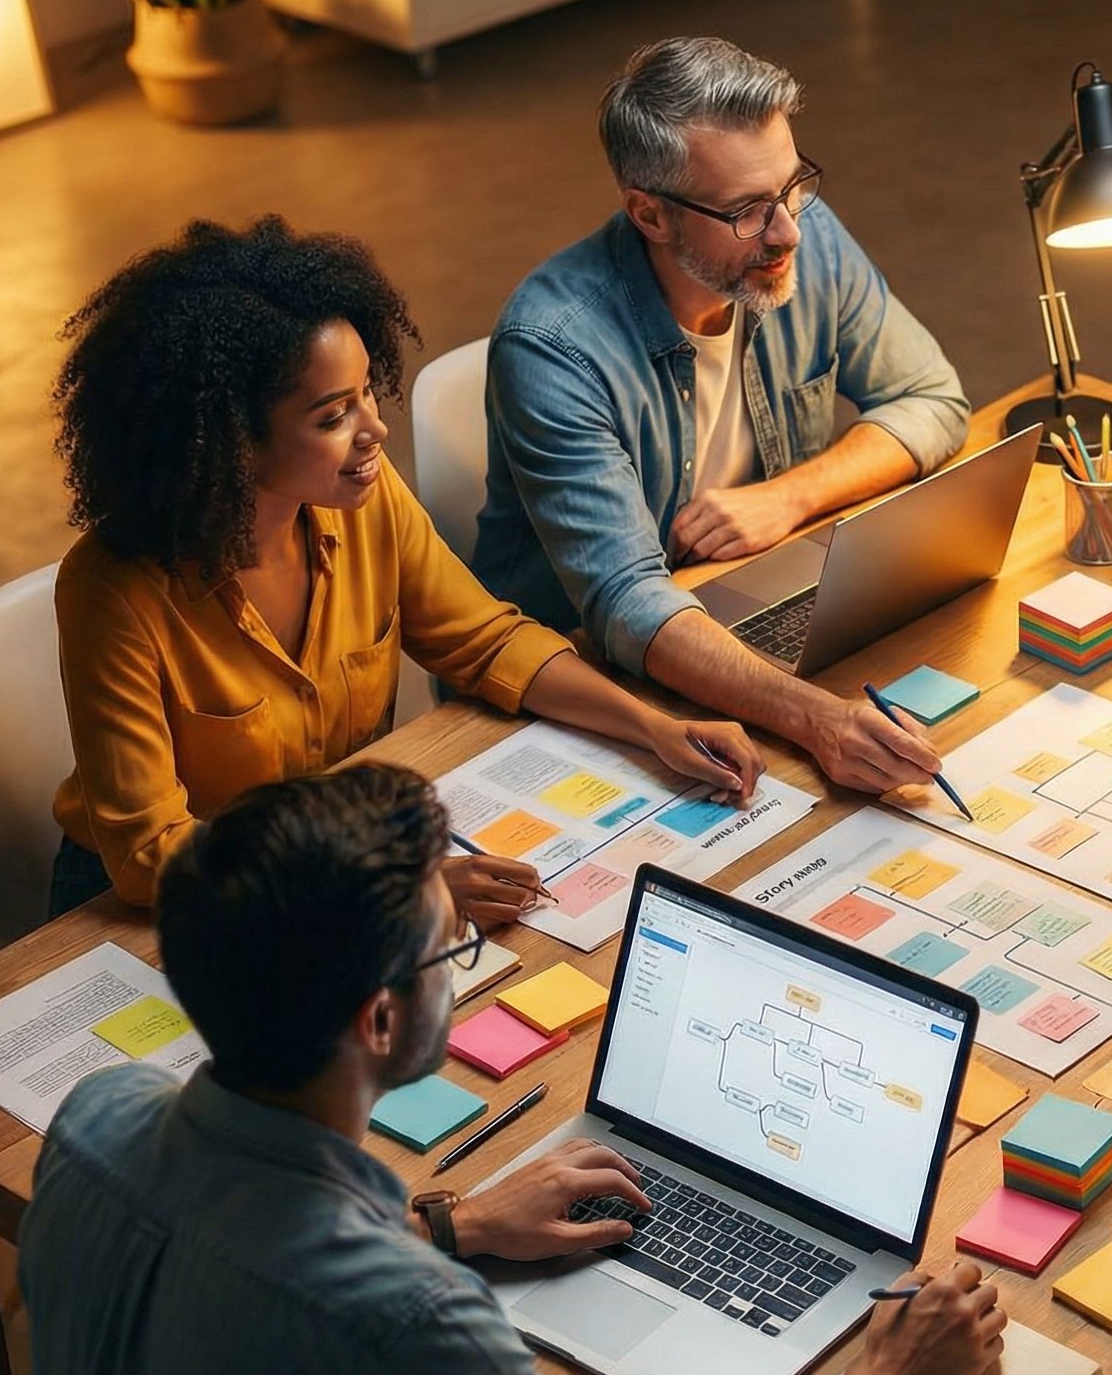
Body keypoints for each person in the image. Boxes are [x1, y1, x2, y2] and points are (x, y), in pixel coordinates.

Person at [20, 766, 1005, 1375]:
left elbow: (249, 1262)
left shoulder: (92, 1121)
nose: (462, 971)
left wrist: (449, 1223)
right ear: (376, 1022)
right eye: (453, 954)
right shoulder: (412, 1328)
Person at [47, 216, 760, 931]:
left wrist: (654, 728)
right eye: (332, 416)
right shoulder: (112, 593)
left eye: (366, 393)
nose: (374, 430)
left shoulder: (362, 494)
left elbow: (486, 642)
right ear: (228, 441)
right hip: (181, 907)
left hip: (336, 858)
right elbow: (152, 857)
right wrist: (396, 886)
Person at [474, 37, 968, 795]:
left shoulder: (807, 239)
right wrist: (816, 721)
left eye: (793, 185)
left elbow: (932, 399)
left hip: (748, 614)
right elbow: (629, 601)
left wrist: (790, 496)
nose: (789, 231)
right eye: (746, 211)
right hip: (583, 693)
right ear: (649, 212)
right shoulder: (551, 348)